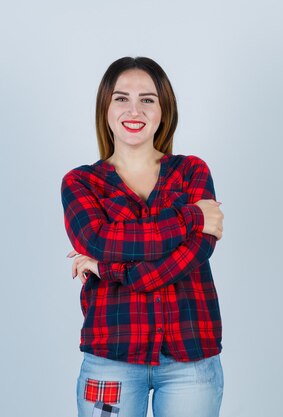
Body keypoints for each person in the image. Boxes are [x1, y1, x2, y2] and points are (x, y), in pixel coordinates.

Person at [61, 56, 224, 417]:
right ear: (106, 107)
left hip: (190, 360)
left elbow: (198, 249)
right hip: (111, 360)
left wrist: (114, 271)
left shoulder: (192, 171)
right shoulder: (81, 182)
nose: (134, 109)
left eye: (147, 99)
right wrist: (192, 216)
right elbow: (99, 242)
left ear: (164, 109)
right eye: (121, 98)